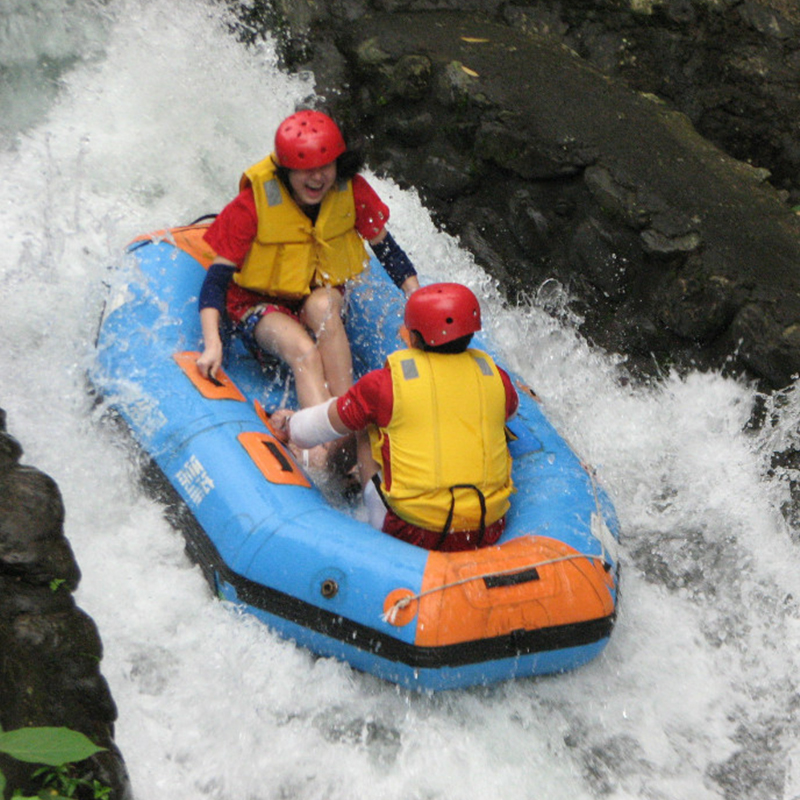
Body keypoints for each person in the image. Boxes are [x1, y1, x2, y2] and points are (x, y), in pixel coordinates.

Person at [196, 109, 420, 418]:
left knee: (322, 308)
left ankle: (347, 417)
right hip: (257, 303)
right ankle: (326, 439)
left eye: (325, 166)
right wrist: (212, 343)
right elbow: (215, 280)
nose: (317, 178)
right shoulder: (253, 204)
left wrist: (417, 301)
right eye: (305, 169)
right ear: (286, 169)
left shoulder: (350, 190)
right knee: (304, 351)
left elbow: (387, 250)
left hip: (316, 294)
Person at [279, 283, 519, 551]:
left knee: (366, 422)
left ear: (413, 338)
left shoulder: (387, 384)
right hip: (487, 529)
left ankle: (329, 472)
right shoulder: (497, 377)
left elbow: (312, 430)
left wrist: (290, 424)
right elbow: (509, 410)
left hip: (412, 532)